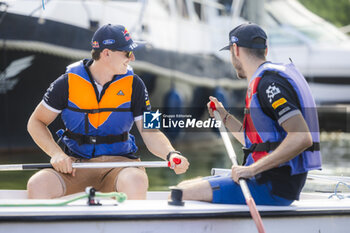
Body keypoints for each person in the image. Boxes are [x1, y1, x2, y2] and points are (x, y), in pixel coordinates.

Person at [26, 24, 189, 199]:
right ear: (106, 53)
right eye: (127, 53)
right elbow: (35, 122)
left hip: (121, 166)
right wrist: (56, 154)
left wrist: (171, 153)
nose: (132, 58)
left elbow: (152, 131)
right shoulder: (65, 83)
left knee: (135, 181)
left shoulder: (136, 85)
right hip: (76, 166)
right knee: (37, 184)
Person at [175, 23, 321, 206]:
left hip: (269, 186)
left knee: (180, 193)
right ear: (265, 50)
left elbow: (302, 138)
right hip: (266, 182)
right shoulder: (266, 82)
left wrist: (251, 169)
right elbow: (255, 142)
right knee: (185, 185)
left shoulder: (269, 85)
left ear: (235, 49)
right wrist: (224, 117)